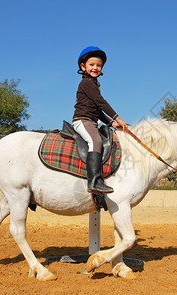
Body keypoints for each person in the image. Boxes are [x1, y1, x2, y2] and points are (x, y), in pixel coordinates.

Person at [72, 46, 128, 194]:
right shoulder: (86, 83)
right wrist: (117, 117)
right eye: (92, 65)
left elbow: (97, 110)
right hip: (82, 120)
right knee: (95, 141)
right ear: (83, 67)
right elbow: (101, 102)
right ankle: (94, 181)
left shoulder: (94, 83)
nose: (95, 68)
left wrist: (112, 123)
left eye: (98, 65)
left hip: (92, 120)